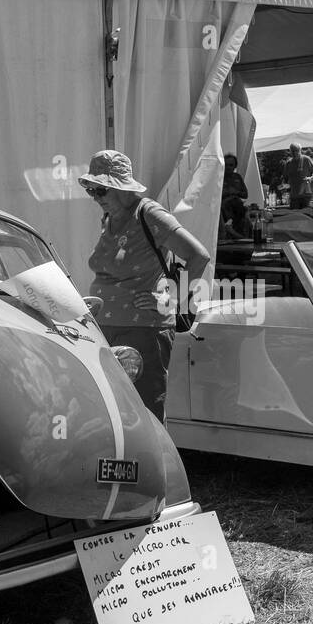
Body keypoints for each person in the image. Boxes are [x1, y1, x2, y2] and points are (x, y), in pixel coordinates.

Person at [81, 149, 210, 422]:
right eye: (91, 190)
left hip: (142, 331)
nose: (95, 197)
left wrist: (172, 300)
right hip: (106, 329)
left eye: (100, 190)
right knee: (113, 411)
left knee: (144, 412)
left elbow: (199, 256)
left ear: (121, 187)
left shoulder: (148, 213)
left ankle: (152, 465)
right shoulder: (109, 219)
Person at [283, 143, 313, 210]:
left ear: (300, 150)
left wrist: (310, 178)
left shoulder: (307, 159)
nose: (295, 152)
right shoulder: (288, 163)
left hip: (307, 196)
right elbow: (285, 179)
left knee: (308, 216)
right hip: (294, 197)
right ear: (290, 151)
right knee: (295, 217)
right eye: (292, 151)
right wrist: (284, 185)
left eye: (296, 150)